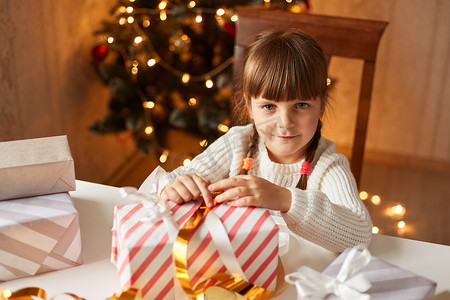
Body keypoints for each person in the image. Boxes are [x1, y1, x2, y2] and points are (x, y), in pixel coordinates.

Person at [140, 30, 372, 252]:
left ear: (321, 105)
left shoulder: (327, 165)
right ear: (250, 107)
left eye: (301, 105)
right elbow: (164, 186)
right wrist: (176, 187)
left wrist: (284, 199)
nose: (285, 122)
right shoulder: (237, 144)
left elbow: (360, 235)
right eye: (269, 106)